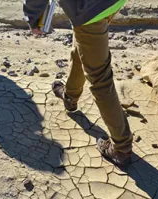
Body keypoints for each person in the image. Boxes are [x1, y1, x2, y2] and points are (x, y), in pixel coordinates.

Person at [23, 0, 133, 167]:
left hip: (90, 9)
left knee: (100, 80)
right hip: (107, 4)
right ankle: (70, 96)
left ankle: (121, 148)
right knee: (83, 42)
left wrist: (33, 17)